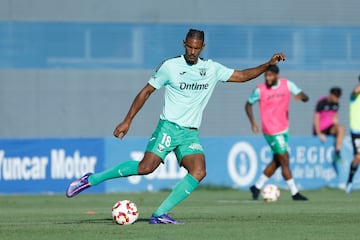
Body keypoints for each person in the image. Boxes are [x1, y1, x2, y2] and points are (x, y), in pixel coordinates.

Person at [66, 29, 287, 224]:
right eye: (189, 46)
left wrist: (267, 64)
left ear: (203, 47)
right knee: (146, 168)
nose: (192, 51)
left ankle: (160, 214)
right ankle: (91, 179)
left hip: (189, 132)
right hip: (168, 127)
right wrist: (128, 120)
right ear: (184, 44)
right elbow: (146, 92)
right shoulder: (170, 66)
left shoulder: (212, 69)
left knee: (199, 171)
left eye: (196, 48)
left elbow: (241, 76)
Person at [245, 65, 309, 201]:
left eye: (270, 76)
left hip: (284, 128)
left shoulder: (287, 84)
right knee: (284, 159)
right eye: (266, 76)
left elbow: (304, 96)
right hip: (271, 130)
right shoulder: (259, 90)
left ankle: (257, 187)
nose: (267, 78)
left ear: (277, 75)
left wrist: (302, 97)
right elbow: (248, 104)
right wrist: (253, 122)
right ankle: (294, 192)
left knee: (278, 160)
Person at [313, 87, 344, 162]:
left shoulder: (336, 104)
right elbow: (316, 118)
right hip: (321, 129)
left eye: (338, 97)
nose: (337, 99)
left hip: (330, 128)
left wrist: (336, 127)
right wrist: (319, 133)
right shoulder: (322, 102)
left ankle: (337, 153)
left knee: (341, 128)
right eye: (336, 97)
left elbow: (335, 117)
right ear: (331, 95)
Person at [346, 76, 360, 193]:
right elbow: (355, 92)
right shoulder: (354, 96)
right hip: (357, 131)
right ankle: (349, 182)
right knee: (358, 157)